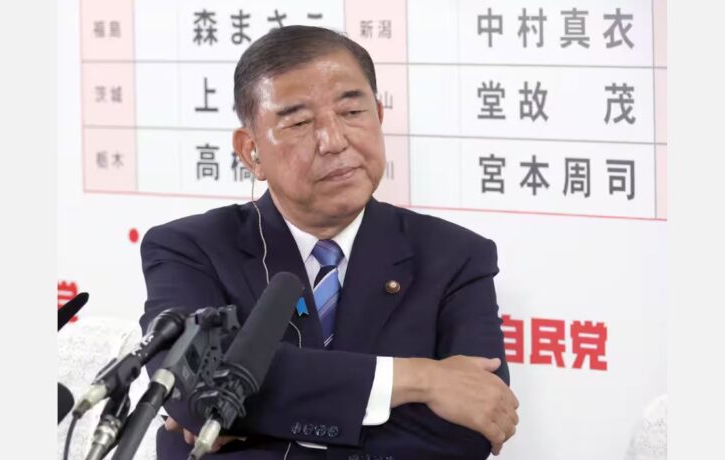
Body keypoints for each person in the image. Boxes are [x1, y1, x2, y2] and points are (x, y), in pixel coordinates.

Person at [139, 25, 519, 460]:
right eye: (300, 122)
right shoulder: (189, 248)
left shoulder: (455, 255)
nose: (334, 141)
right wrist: (420, 379)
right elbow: (193, 389)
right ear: (250, 151)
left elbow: (476, 423)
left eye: (353, 112)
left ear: (379, 115)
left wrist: (256, 421)